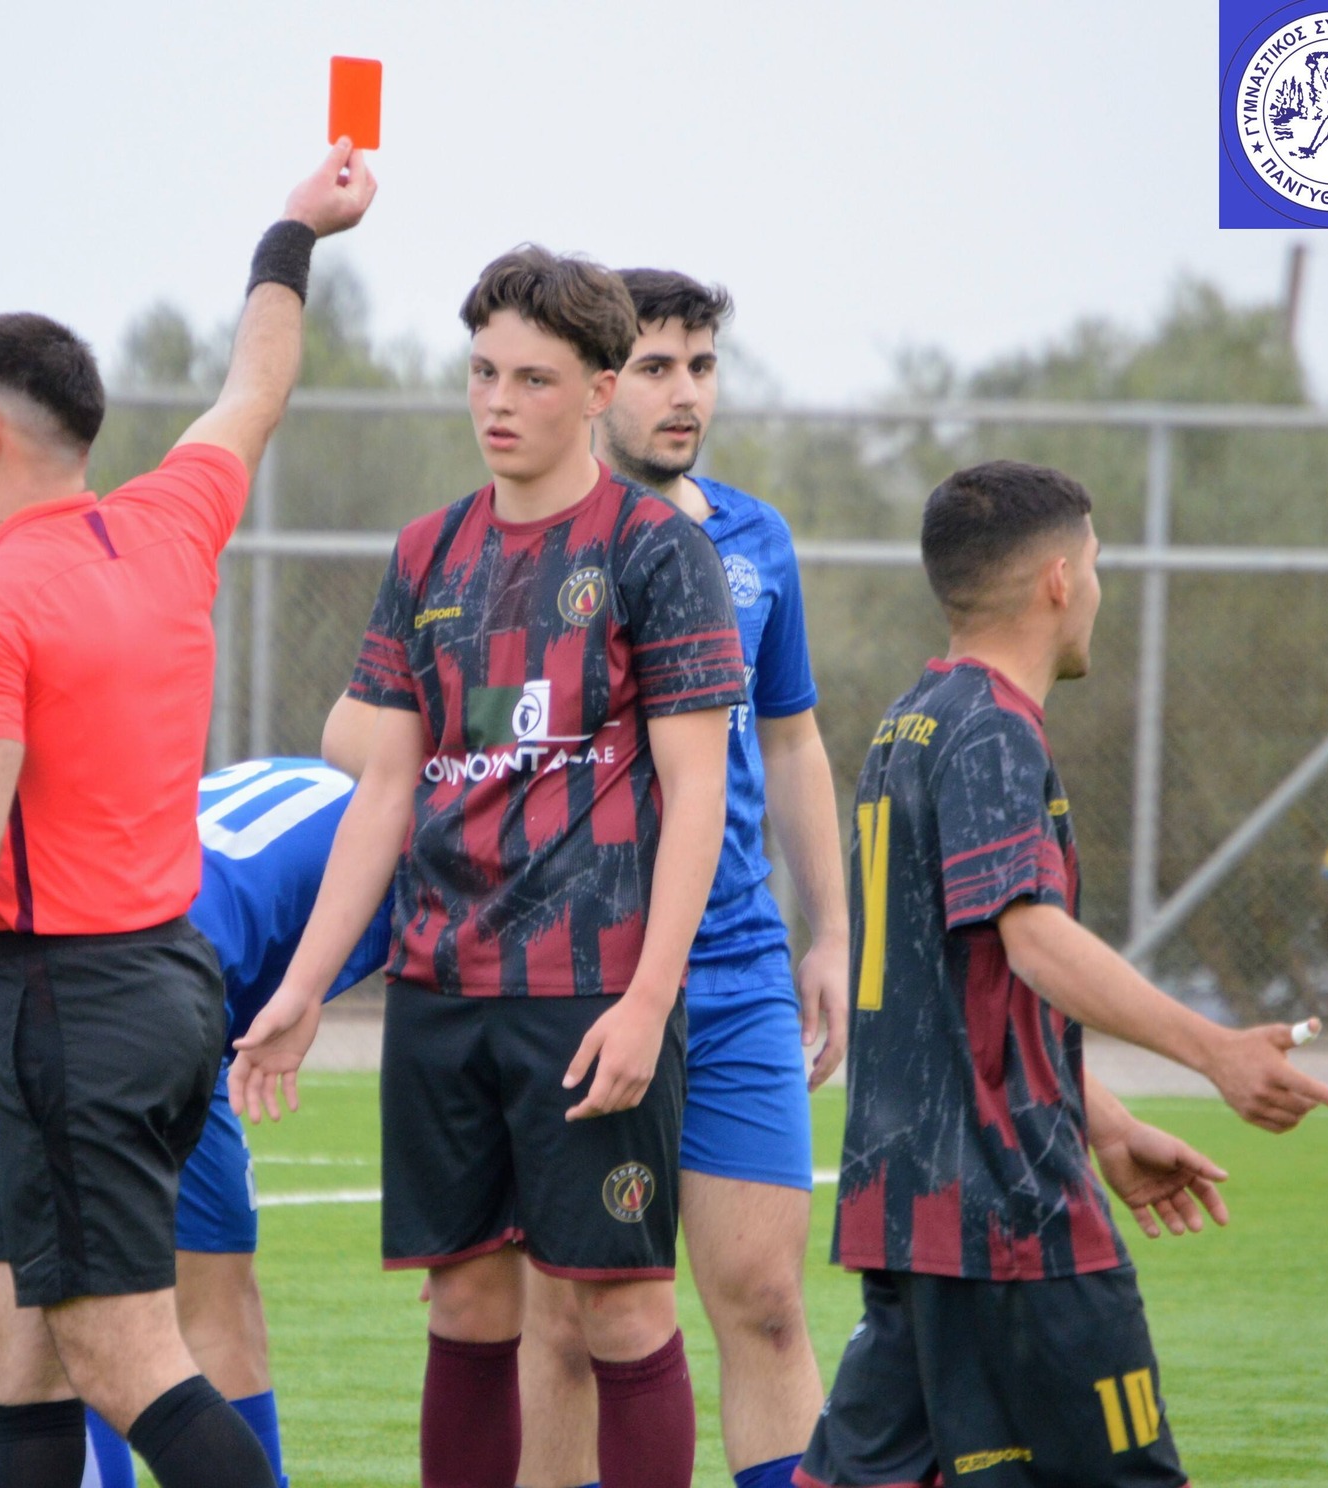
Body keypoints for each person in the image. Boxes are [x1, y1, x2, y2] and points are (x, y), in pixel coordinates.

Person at [0, 141, 375, 1488]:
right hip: (170, 981)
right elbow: (256, 387)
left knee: (122, 1354)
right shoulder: (167, 523)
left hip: (75, 1000)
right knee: (16, 1337)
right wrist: (293, 233)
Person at [232, 246, 747, 1488]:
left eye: (530, 378)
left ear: (597, 389)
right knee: (463, 1303)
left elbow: (697, 795)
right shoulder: (426, 552)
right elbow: (385, 788)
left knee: (622, 1307)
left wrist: (647, 1002)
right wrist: (301, 990)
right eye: (480, 373)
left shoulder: (654, 551)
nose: (496, 402)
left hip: (590, 993)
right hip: (439, 991)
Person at [798, 460, 1328, 1488]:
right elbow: (1034, 943)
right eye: (1094, 564)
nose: (1097, 587)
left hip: (909, 1210)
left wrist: (1108, 1124)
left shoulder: (910, 720)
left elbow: (958, 997)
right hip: (1011, 1214)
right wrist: (1214, 1050)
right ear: (1058, 580)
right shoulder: (994, 734)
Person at [514, 269, 846, 1488]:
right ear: (600, 385)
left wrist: (830, 932)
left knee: (764, 1301)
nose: (684, 393)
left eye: (701, 367)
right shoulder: (526, 544)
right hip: (577, 975)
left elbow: (792, 740)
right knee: (570, 1320)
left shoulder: (756, 541)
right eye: (656, 368)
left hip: (737, 967)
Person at [0, 757, 394, 1488]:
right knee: (100, 1320)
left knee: (141, 1292)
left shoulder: (334, 780)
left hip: (58, 982)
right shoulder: (437, 840)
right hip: (127, 1003)